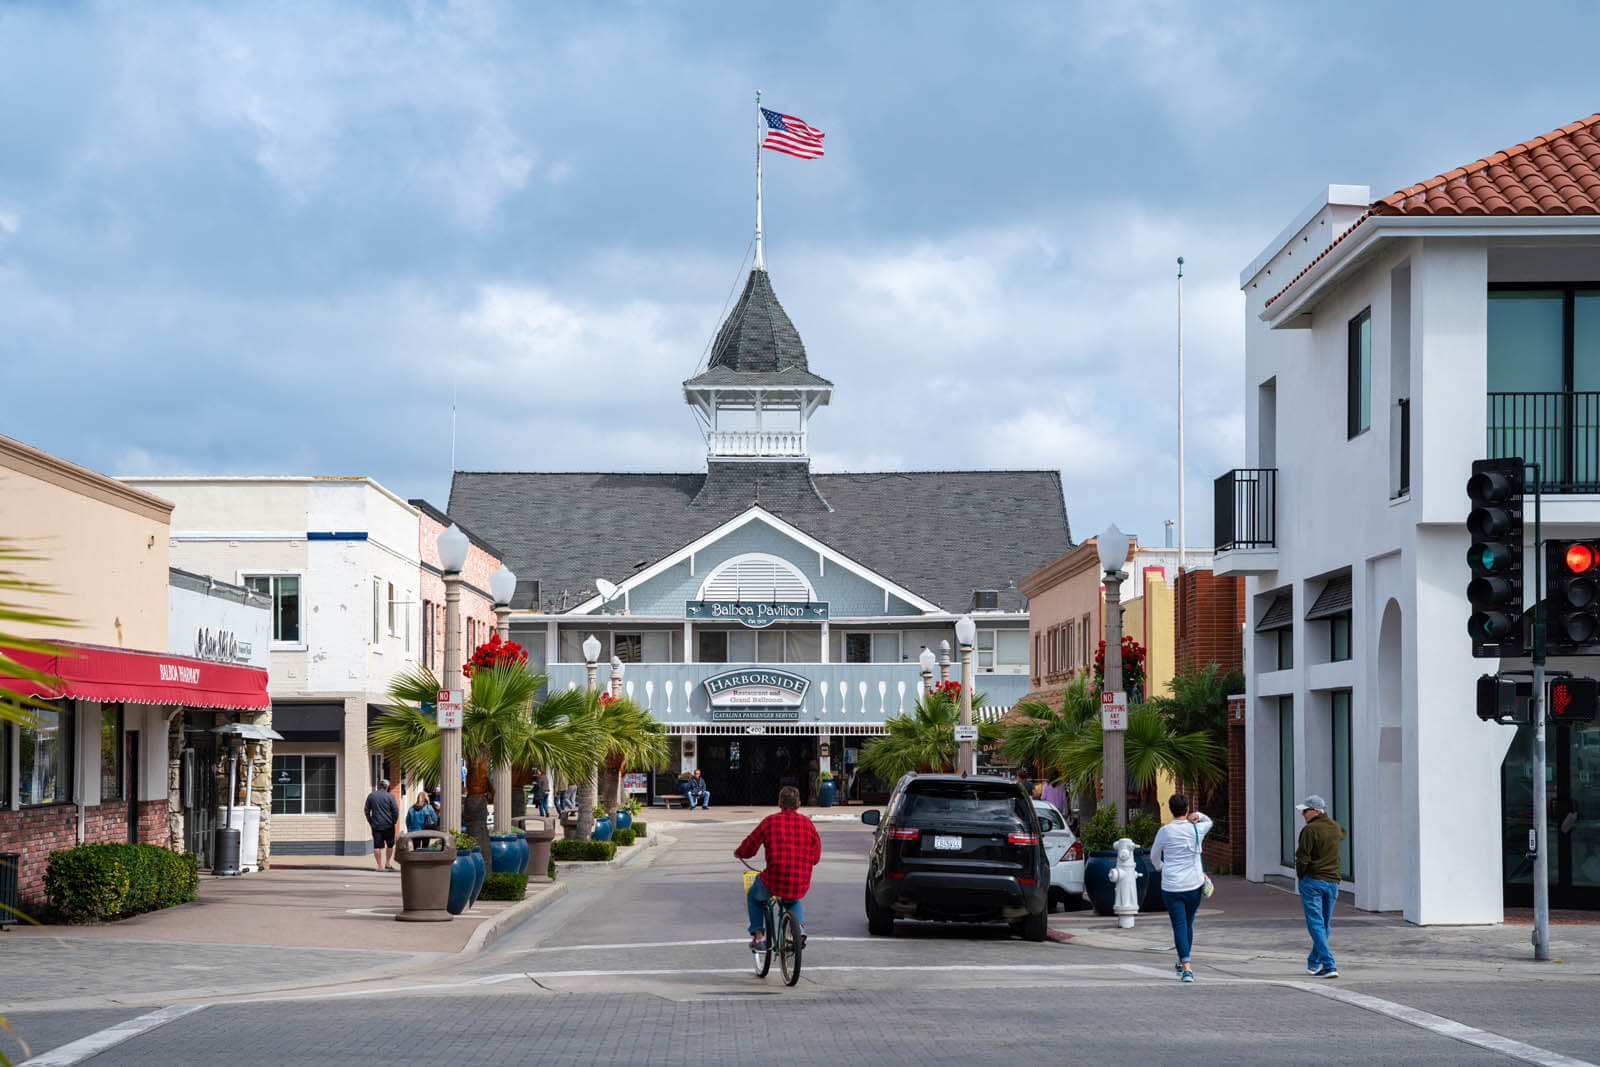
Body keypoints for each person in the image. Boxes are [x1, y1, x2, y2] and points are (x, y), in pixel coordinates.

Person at [734, 785, 822, 949]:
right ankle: (799, 929)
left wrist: (739, 853)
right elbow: (815, 857)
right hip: (799, 880)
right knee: (792, 900)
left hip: (774, 879)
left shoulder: (770, 821)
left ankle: (759, 937)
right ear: (798, 805)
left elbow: (750, 845)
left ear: (779, 803)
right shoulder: (807, 824)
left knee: (754, 896)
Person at [1149, 794, 1212, 982]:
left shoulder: (1165, 832)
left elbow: (1154, 855)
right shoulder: (1197, 829)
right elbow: (1209, 821)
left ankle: (1186, 967)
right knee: (1188, 922)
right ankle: (1183, 962)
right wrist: (1197, 815)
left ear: (1170, 810)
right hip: (1193, 884)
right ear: (1186, 809)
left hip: (1172, 885)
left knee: (1179, 924)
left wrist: (1161, 868)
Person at [1295, 794, 1346, 979]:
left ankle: (1329, 964)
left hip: (1313, 880)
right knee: (1324, 924)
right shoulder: (1335, 827)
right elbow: (1342, 834)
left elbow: (1302, 857)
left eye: (1306, 811)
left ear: (1316, 810)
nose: (1303, 815)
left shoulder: (1310, 830)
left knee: (1316, 923)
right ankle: (1314, 962)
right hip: (1333, 881)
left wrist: (1301, 875)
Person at [364, 778, 401, 871]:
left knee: (377, 846)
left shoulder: (371, 796)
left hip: (376, 825)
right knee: (390, 845)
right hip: (389, 825)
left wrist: (370, 821)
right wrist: (394, 821)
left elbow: (366, 810)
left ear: (379, 785)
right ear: (387, 786)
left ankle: (379, 866)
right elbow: (396, 811)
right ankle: (387, 863)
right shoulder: (390, 796)